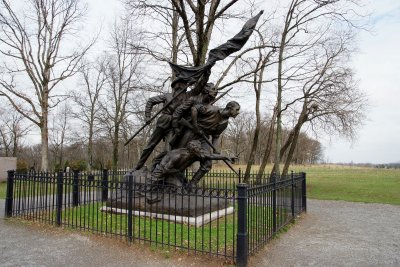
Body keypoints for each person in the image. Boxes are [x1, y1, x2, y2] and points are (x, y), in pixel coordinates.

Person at [174, 101, 240, 185]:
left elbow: (216, 136)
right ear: (230, 108)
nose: (238, 112)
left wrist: (215, 150)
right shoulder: (213, 109)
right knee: (180, 157)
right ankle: (173, 178)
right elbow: (194, 108)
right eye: (237, 109)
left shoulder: (224, 123)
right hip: (192, 132)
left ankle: (192, 184)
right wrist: (195, 126)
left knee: (207, 164)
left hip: (203, 139)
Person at [147, 140, 232, 203]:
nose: (200, 150)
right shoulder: (177, 155)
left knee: (184, 185)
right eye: (198, 149)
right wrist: (177, 172)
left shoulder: (195, 154)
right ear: (193, 149)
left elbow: (210, 155)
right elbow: (166, 169)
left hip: (174, 173)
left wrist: (225, 157)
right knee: (180, 189)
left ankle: (180, 196)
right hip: (163, 173)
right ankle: (173, 201)